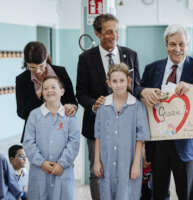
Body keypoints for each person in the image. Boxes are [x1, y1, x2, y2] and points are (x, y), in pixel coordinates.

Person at [134, 24, 193, 200]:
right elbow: (135, 88)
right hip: (158, 143)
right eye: (172, 44)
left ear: (188, 45)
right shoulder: (152, 68)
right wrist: (143, 92)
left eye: (182, 44)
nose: (177, 49)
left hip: (186, 144)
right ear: (166, 45)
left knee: (185, 194)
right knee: (159, 193)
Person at [76, 13, 140, 200]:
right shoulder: (86, 59)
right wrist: (93, 104)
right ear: (97, 33)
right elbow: (80, 93)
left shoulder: (131, 55)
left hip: (126, 125)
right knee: (98, 171)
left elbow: (137, 87)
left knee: (125, 168)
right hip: (97, 126)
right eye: (109, 32)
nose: (114, 36)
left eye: (116, 31)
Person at [93, 63, 150, 200]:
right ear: (109, 83)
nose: (118, 85)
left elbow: (141, 137)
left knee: (127, 194)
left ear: (128, 81)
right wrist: (96, 161)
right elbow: (98, 135)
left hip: (128, 162)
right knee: (107, 192)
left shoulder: (137, 106)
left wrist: (136, 163)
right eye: (114, 81)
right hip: (107, 160)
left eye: (122, 81)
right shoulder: (103, 106)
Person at [23, 76, 80, 200]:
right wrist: (41, 162)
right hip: (39, 171)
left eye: (53, 87)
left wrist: (62, 164)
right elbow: (28, 142)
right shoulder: (34, 115)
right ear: (42, 93)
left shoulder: (70, 116)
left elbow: (74, 143)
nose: (49, 90)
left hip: (63, 171)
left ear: (62, 91)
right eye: (45, 88)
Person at [16, 41, 78, 143]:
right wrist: (37, 95)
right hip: (35, 136)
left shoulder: (61, 72)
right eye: (32, 67)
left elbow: (72, 100)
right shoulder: (21, 80)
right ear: (26, 63)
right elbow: (22, 113)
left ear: (46, 58)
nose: (38, 71)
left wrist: (72, 107)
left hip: (61, 131)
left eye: (41, 66)